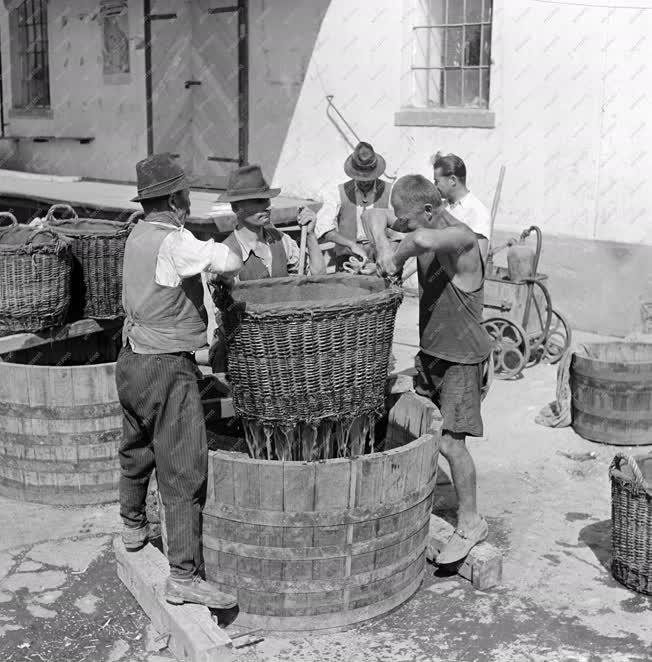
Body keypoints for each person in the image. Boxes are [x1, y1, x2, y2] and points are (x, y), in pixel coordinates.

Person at [117, 153, 243, 609]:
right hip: (166, 365)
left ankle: (132, 525)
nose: (190, 201)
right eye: (186, 194)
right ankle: (184, 576)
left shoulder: (137, 233)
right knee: (183, 464)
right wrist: (230, 228)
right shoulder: (176, 242)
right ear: (175, 199)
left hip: (130, 358)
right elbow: (226, 261)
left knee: (136, 445)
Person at [364, 174, 492, 564]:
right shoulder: (419, 224)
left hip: (462, 358)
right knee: (420, 425)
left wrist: (391, 256)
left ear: (429, 209)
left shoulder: (460, 237)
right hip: (432, 352)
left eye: (406, 219)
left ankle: (471, 521)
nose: (400, 225)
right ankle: (429, 490)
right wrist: (383, 241)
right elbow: (373, 214)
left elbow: (420, 241)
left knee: (453, 443)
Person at [201, 164, 326, 372]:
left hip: (287, 346)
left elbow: (318, 279)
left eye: (267, 200)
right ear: (236, 208)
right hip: (246, 354)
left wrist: (311, 235)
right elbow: (225, 318)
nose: (267, 206)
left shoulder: (282, 241)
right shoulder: (223, 256)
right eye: (258, 201)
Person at [316, 141, 399, 270]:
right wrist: (350, 244)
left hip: (381, 258)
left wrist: (388, 253)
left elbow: (399, 232)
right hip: (348, 258)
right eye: (360, 178)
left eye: (369, 178)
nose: (365, 182)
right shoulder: (337, 192)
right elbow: (323, 228)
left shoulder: (390, 191)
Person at [432, 152, 492, 263]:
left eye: (437, 181)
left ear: (453, 180)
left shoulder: (478, 212)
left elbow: (480, 260)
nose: (435, 186)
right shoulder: (442, 207)